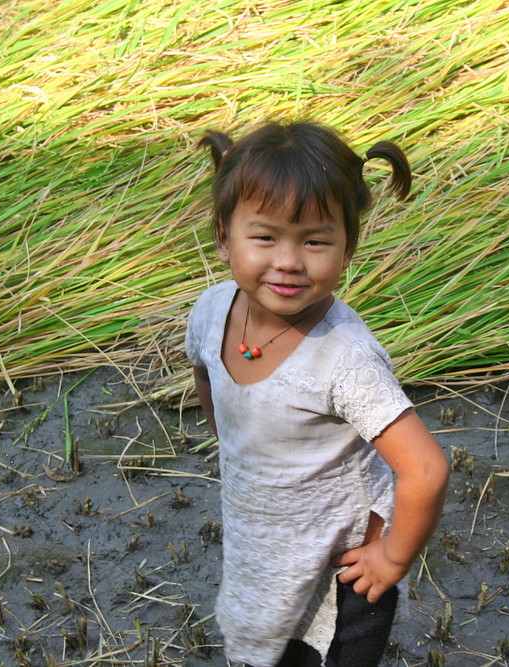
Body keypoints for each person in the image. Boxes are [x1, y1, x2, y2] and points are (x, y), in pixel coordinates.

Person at [186, 120, 450, 667]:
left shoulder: (344, 358)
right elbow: (206, 372)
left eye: (314, 240)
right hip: (263, 545)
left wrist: (391, 560)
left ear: (347, 247)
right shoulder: (212, 312)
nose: (288, 261)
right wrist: (232, 439)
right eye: (264, 237)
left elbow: (425, 470)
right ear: (222, 236)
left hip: (340, 572)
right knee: (259, 640)